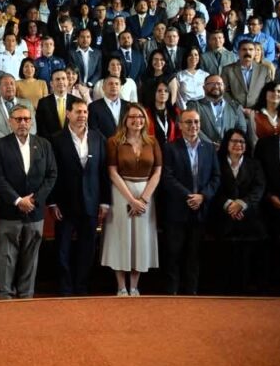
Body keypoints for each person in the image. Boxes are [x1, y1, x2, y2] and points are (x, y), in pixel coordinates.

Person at [0, 104, 57, 299]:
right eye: (18, 119)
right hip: (9, 211)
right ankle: (6, 295)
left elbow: (52, 174)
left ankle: (26, 295)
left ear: (31, 122)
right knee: (6, 256)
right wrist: (18, 200)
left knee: (31, 256)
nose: (22, 123)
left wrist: (34, 200)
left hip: (35, 211)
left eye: (26, 119)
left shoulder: (43, 144)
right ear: (10, 122)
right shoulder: (0, 145)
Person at [49, 100, 110, 295]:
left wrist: (105, 202)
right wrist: (52, 202)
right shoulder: (56, 139)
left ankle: (82, 287)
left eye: (85, 112)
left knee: (87, 249)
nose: (82, 115)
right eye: (78, 112)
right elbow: (52, 173)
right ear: (68, 114)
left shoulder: (98, 138)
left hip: (91, 203)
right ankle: (65, 289)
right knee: (63, 250)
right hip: (65, 204)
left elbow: (103, 171)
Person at [101, 103, 162, 296]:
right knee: (121, 238)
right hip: (121, 194)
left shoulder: (152, 142)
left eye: (141, 117)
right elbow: (112, 172)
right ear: (125, 120)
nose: (137, 120)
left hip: (146, 195)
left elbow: (157, 172)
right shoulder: (114, 142)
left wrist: (143, 199)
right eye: (133, 117)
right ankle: (121, 287)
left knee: (140, 239)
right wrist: (131, 200)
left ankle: (134, 286)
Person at [160, 109, 221, 295]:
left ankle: (191, 293)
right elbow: (167, 177)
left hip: (200, 210)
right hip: (177, 210)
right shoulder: (170, 147)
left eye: (196, 122)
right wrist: (189, 196)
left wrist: (202, 196)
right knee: (173, 254)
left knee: (194, 255)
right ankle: (172, 293)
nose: (193, 126)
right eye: (188, 122)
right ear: (180, 125)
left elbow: (216, 177)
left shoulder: (209, 148)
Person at [212, 129, 266, 294]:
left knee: (246, 261)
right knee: (223, 262)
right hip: (223, 219)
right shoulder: (217, 162)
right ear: (227, 144)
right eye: (234, 141)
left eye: (242, 142)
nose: (238, 145)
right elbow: (213, 188)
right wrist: (229, 205)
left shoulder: (254, 164)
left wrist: (242, 203)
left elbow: (259, 189)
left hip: (248, 220)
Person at [254, 103, 280, 294]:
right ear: (279, 120)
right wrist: (270, 196)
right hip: (269, 204)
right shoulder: (265, 144)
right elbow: (257, 173)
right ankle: (267, 289)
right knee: (268, 248)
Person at [187, 75, 247, 148]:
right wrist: (210, 144)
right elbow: (191, 126)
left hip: (229, 150)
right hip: (202, 149)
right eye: (211, 83)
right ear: (204, 87)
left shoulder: (235, 107)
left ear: (224, 87)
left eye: (219, 84)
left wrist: (229, 144)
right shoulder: (194, 105)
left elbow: (241, 129)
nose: (216, 86)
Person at [0, 73, 36, 145]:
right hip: (1, 146)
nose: (9, 87)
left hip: (25, 144)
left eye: (12, 84)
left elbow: (33, 125)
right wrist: (8, 142)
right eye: (5, 84)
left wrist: (23, 140)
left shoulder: (26, 103)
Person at [35, 69, 80, 139]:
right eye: (57, 79)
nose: (61, 82)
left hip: (73, 142)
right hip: (50, 143)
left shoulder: (77, 101)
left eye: (63, 78)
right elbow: (41, 129)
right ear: (51, 84)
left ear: (67, 81)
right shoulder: (43, 103)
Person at [247, 81, 280, 149]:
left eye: (279, 91)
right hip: (261, 152)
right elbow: (253, 139)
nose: (276, 93)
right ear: (265, 93)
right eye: (272, 90)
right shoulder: (254, 114)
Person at [146, 81, 182, 147]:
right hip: (153, 148)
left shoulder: (175, 111)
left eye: (166, 91)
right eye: (159, 91)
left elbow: (179, 133)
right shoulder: (146, 113)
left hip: (172, 149)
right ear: (154, 93)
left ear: (169, 94)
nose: (163, 93)